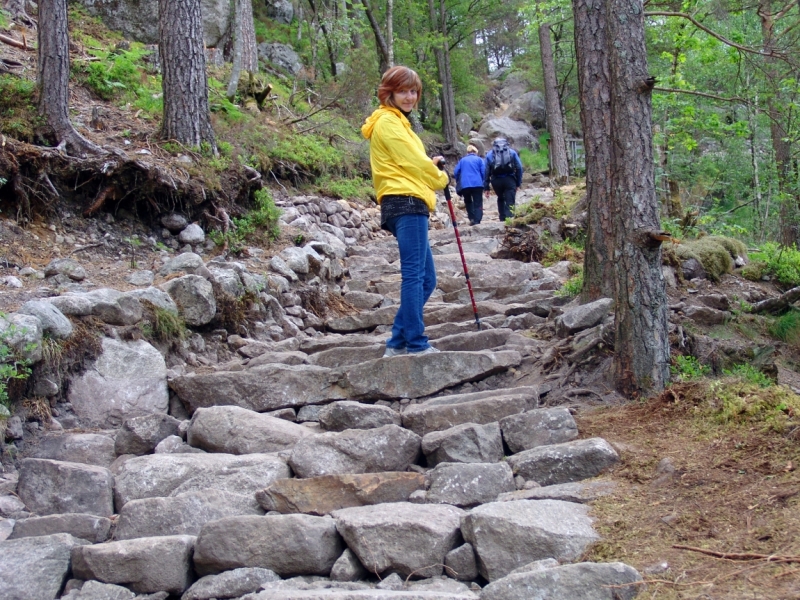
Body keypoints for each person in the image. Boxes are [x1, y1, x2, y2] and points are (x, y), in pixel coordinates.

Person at [361, 66, 449, 357]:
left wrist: (430, 163)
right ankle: (416, 343)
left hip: (408, 200)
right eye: (403, 91)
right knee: (414, 276)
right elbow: (412, 162)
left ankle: (397, 342)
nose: (410, 97)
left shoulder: (398, 122)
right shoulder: (388, 122)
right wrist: (440, 179)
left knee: (427, 279)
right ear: (390, 93)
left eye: (413, 91)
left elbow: (411, 159)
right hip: (405, 201)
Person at [483, 138, 523, 222]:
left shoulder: (490, 154)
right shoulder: (512, 152)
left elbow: (486, 171)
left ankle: (502, 218)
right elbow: (519, 167)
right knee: (510, 200)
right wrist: (518, 183)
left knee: (500, 197)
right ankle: (509, 219)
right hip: (509, 179)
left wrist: (486, 187)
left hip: (496, 180)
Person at [454, 145, 486, 225]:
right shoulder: (479, 160)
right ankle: (477, 220)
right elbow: (484, 172)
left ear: (467, 152)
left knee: (468, 201)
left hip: (465, 184)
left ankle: (471, 218)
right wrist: (483, 181)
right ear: (475, 152)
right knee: (478, 202)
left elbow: (456, 172)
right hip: (477, 184)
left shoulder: (462, 160)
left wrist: (458, 180)